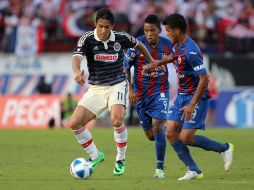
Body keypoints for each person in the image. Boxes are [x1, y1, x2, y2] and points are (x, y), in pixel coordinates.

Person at [144, 13, 234, 181]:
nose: (167, 34)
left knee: (186, 137)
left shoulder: (191, 51)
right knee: (170, 133)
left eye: (168, 31)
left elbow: (204, 79)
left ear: (177, 31)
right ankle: (194, 170)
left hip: (196, 97)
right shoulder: (178, 45)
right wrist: (157, 63)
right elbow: (174, 57)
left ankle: (224, 148)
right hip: (182, 96)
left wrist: (192, 104)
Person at [67, 8, 156, 176]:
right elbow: (76, 57)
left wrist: (151, 60)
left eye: (106, 27)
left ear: (112, 27)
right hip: (96, 87)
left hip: (117, 84)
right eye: (100, 26)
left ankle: (120, 158)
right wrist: (77, 72)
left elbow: (140, 45)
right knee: (74, 123)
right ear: (96, 24)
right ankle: (95, 155)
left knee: (116, 120)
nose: (103, 31)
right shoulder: (87, 39)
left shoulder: (121, 38)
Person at [124, 14, 172, 179]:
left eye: (152, 30)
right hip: (141, 96)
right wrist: (130, 89)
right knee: (151, 135)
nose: (149, 34)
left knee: (157, 125)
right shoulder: (136, 44)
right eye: (146, 30)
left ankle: (160, 169)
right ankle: (163, 131)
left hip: (160, 92)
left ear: (159, 30)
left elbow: (179, 59)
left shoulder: (168, 44)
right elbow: (125, 68)